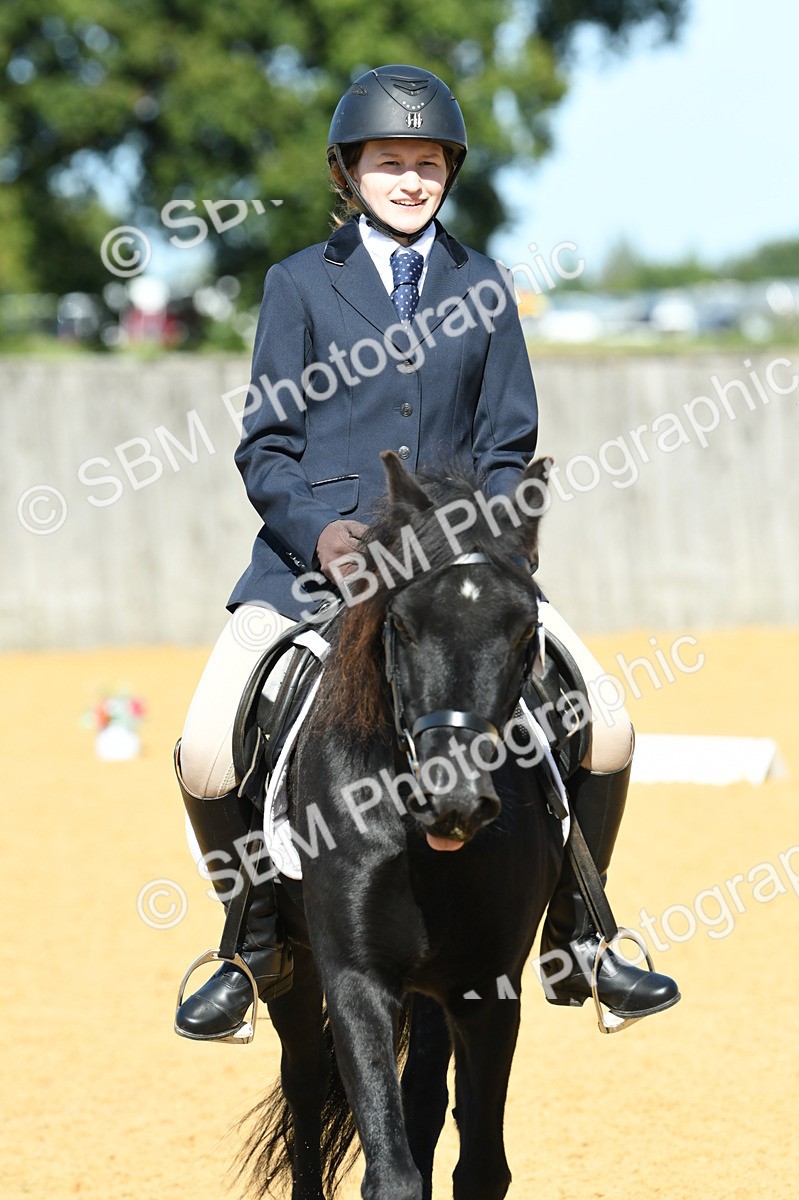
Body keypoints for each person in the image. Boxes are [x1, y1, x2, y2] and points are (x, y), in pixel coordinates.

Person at [173, 63, 680, 1041]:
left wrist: (471, 549)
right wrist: (325, 536)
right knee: (204, 747)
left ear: (447, 171)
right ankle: (251, 940)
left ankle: (583, 936)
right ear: (348, 172)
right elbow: (265, 446)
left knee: (607, 726)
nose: (409, 180)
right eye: (388, 163)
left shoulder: (484, 285)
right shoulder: (295, 287)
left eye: (425, 164)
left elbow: (504, 444)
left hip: (457, 575)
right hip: (313, 566)